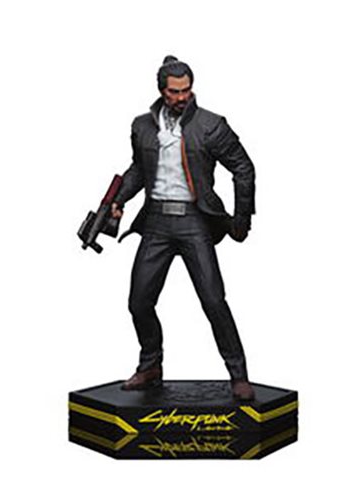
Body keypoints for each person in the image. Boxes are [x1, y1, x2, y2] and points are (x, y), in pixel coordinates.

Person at [111, 56, 256, 400]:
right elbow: (139, 169)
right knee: (139, 302)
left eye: (186, 90)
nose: (181, 97)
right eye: (174, 91)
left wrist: (241, 218)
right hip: (156, 222)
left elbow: (243, 167)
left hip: (194, 221)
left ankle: (238, 374)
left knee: (214, 301)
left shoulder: (210, 125)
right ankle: (150, 366)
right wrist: (118, 199)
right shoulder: (142, 126)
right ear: (162, 91)